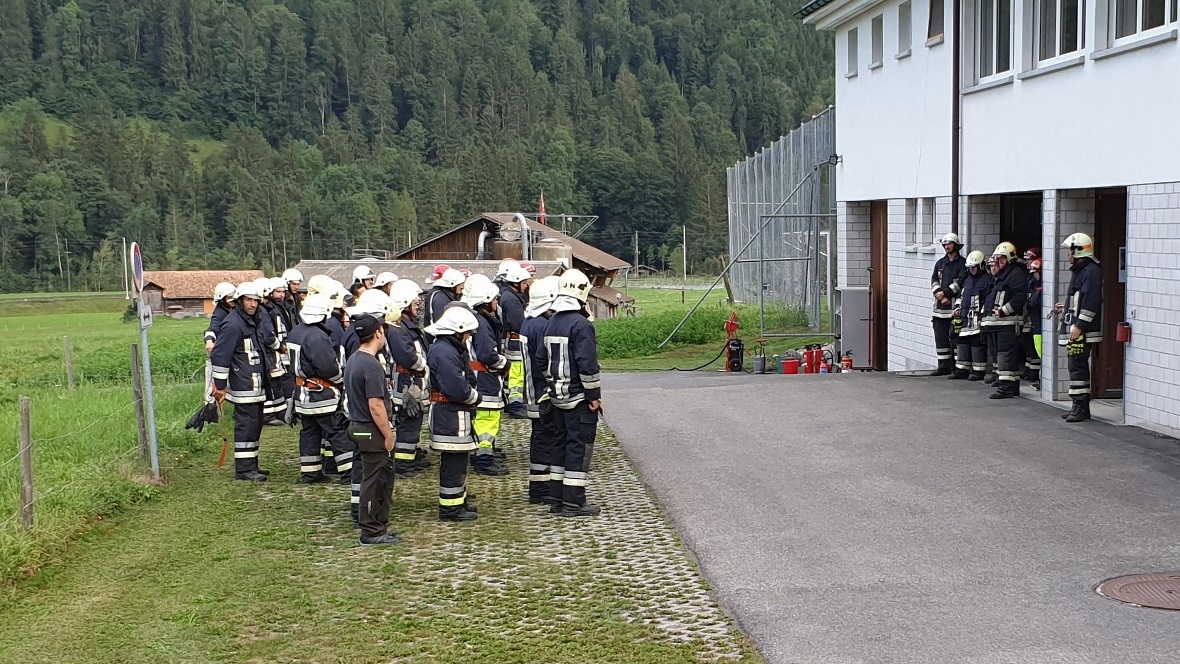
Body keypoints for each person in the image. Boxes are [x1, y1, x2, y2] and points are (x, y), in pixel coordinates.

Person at [540, 269, 602, 517]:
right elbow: (587, 364)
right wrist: (593, 396)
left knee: (559, 446)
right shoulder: (581, 325)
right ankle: (573, 503)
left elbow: (540, 360)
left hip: (556, 397)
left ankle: (556, 498)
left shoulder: (551, 322)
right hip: (578, 400)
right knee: (578, 448)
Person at [343, 313, 403, 545]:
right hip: (370, 430)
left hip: (357, 426)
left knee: (374, 477)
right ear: (378, 332)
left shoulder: (354, 359)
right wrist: (388, 434)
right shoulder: (371, 365)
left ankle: (376, 525)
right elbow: (376, 405)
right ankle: (371, 530)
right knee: (375, 480)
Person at [425, 306, 482, 522]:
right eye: (466, 333)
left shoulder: (447, 349)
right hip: (450, 415)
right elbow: (456, 387)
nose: (468, 337)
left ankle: (458, 501)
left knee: (457, 461)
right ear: (456, 331)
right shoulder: (445, 352)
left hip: (451, 413)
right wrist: (475, 397)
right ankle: (451, 509)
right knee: (453, 463)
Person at [286, 293, 350, 484]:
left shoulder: (296, 331)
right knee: (336, 431)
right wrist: (341, 380)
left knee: (310, 432)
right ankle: (349, 473)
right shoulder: (317, 336)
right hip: (322, 394)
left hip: (302, 393)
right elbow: (328, 367)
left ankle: (310, 473)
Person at [209, 281, 270, 482]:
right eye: (249, 300)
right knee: (246, 426)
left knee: (255, 425)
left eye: (256, 301)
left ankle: (252, 464)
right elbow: (220, 355)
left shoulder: (252, 320)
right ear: (239, 301)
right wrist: (219, 385)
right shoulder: (233, 324)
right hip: (244, 386)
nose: (253, 304)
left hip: (255, 384)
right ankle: (243, 470)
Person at [462, 273, 510, 476]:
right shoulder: (482, 323)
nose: (497, 302)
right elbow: (487, 354)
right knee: (487, 419)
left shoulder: (477, 319)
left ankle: (484, 454)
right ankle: (484, 459)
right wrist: (504, 364)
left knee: (483, 419)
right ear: (486, 301)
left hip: (480, 377)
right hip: (485, 379)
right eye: (494, 299)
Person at [1055, 233, 1103, 423]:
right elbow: (1079, 299)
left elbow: (1091, 302)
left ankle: (1080, 408)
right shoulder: (1082, 270)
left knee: (1078, 367)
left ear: (1078, 250)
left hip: (1082, 330)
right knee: (1075, 366)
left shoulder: (1090, 271)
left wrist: (1080, 326)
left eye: (1070, 251)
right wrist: (1065, 308)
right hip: (1077, 327)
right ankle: (1080, 407)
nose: (1068, 255)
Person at [386, 279, 432, 478]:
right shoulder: (398, 329)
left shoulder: (406, 326)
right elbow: (407, 356)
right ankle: (404, 466)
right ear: (404, 302)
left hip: (414, 382)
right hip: (407, 384)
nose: (419, 305)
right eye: (415, 302)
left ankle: (410, 458)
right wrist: (425, 364)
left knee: (413, 423)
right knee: (407, 425)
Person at [521, 276, 560, 505]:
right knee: (546, 441)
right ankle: (542, 489)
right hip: (543, 393)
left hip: (532, 391)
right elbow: (548, 362)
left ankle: (538, 485)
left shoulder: (529, 322)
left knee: (539, 439)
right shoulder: (543, 327)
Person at [981, 242, 1028, 399]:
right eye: (997, 259)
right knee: (1002, 355)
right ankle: (1010, 385)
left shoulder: (1015, 275)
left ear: (1009, 259)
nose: (998, 263)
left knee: (1005, 355)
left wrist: (1002, 311)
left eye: (1001, 259)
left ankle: (1006, 388)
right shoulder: (1002, 275)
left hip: (1007, 323)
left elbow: (1018, 298)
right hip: (997, 324)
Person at [950, 251, 992, 381]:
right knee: (961, 343)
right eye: (970, 268)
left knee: (977, 345)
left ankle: (978, 371)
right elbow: (961, 296)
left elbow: (988, 300)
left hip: (978, 320)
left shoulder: (987, 280)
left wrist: (983, 316)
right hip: (964, 319)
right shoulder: (967, 280)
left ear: (981, 266)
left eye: (974, 267)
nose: (972, 270)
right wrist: (957, 308)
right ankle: (961, 370)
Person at [499, 263, 533, 419]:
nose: (526, 286)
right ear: (516, 282)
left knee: (514, 374)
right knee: (516, 375)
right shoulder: (511, 300)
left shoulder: (509, 296)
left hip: (512, 341)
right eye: (525, 283)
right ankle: (515, 405)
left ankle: (512, 403)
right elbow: (518, 323)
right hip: (515, 342)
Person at [930, 233, 967, 375]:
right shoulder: (940, 263)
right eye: (945, 245)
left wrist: (945, 293)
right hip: (939, 310)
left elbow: (960, 282)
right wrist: (939, 294)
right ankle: (943, 366)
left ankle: (957, 368)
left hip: (954, 309)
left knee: (956, 339)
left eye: (949, 244)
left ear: (956, 245)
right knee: (941, 339)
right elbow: (934, 280)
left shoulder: (962, 264)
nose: (947, 247)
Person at [203, 282, 237, 404]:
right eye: (229, 298)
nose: (232, 300)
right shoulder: (220, 313)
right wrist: (209, 341)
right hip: (222, 353)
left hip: (234, 352)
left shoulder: (234, 310)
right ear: (222, 299)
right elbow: (212, 329)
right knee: (214, 381)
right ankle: (210, 408)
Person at [424, 266, 465, 335]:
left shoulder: (445, 296)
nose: (462, 286)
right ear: (452, 285)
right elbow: (440, 324)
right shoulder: (440, 299)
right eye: (460, 284)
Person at [1023, 257, 1043, 389]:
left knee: (1042, 354)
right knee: (1039, 353)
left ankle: (1042, 380)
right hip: (1036, 326)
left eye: (1036, 272)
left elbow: (1033, 303)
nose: (1034, 275)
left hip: (1040, 328)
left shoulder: (1041, 289)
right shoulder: (1033, 286)